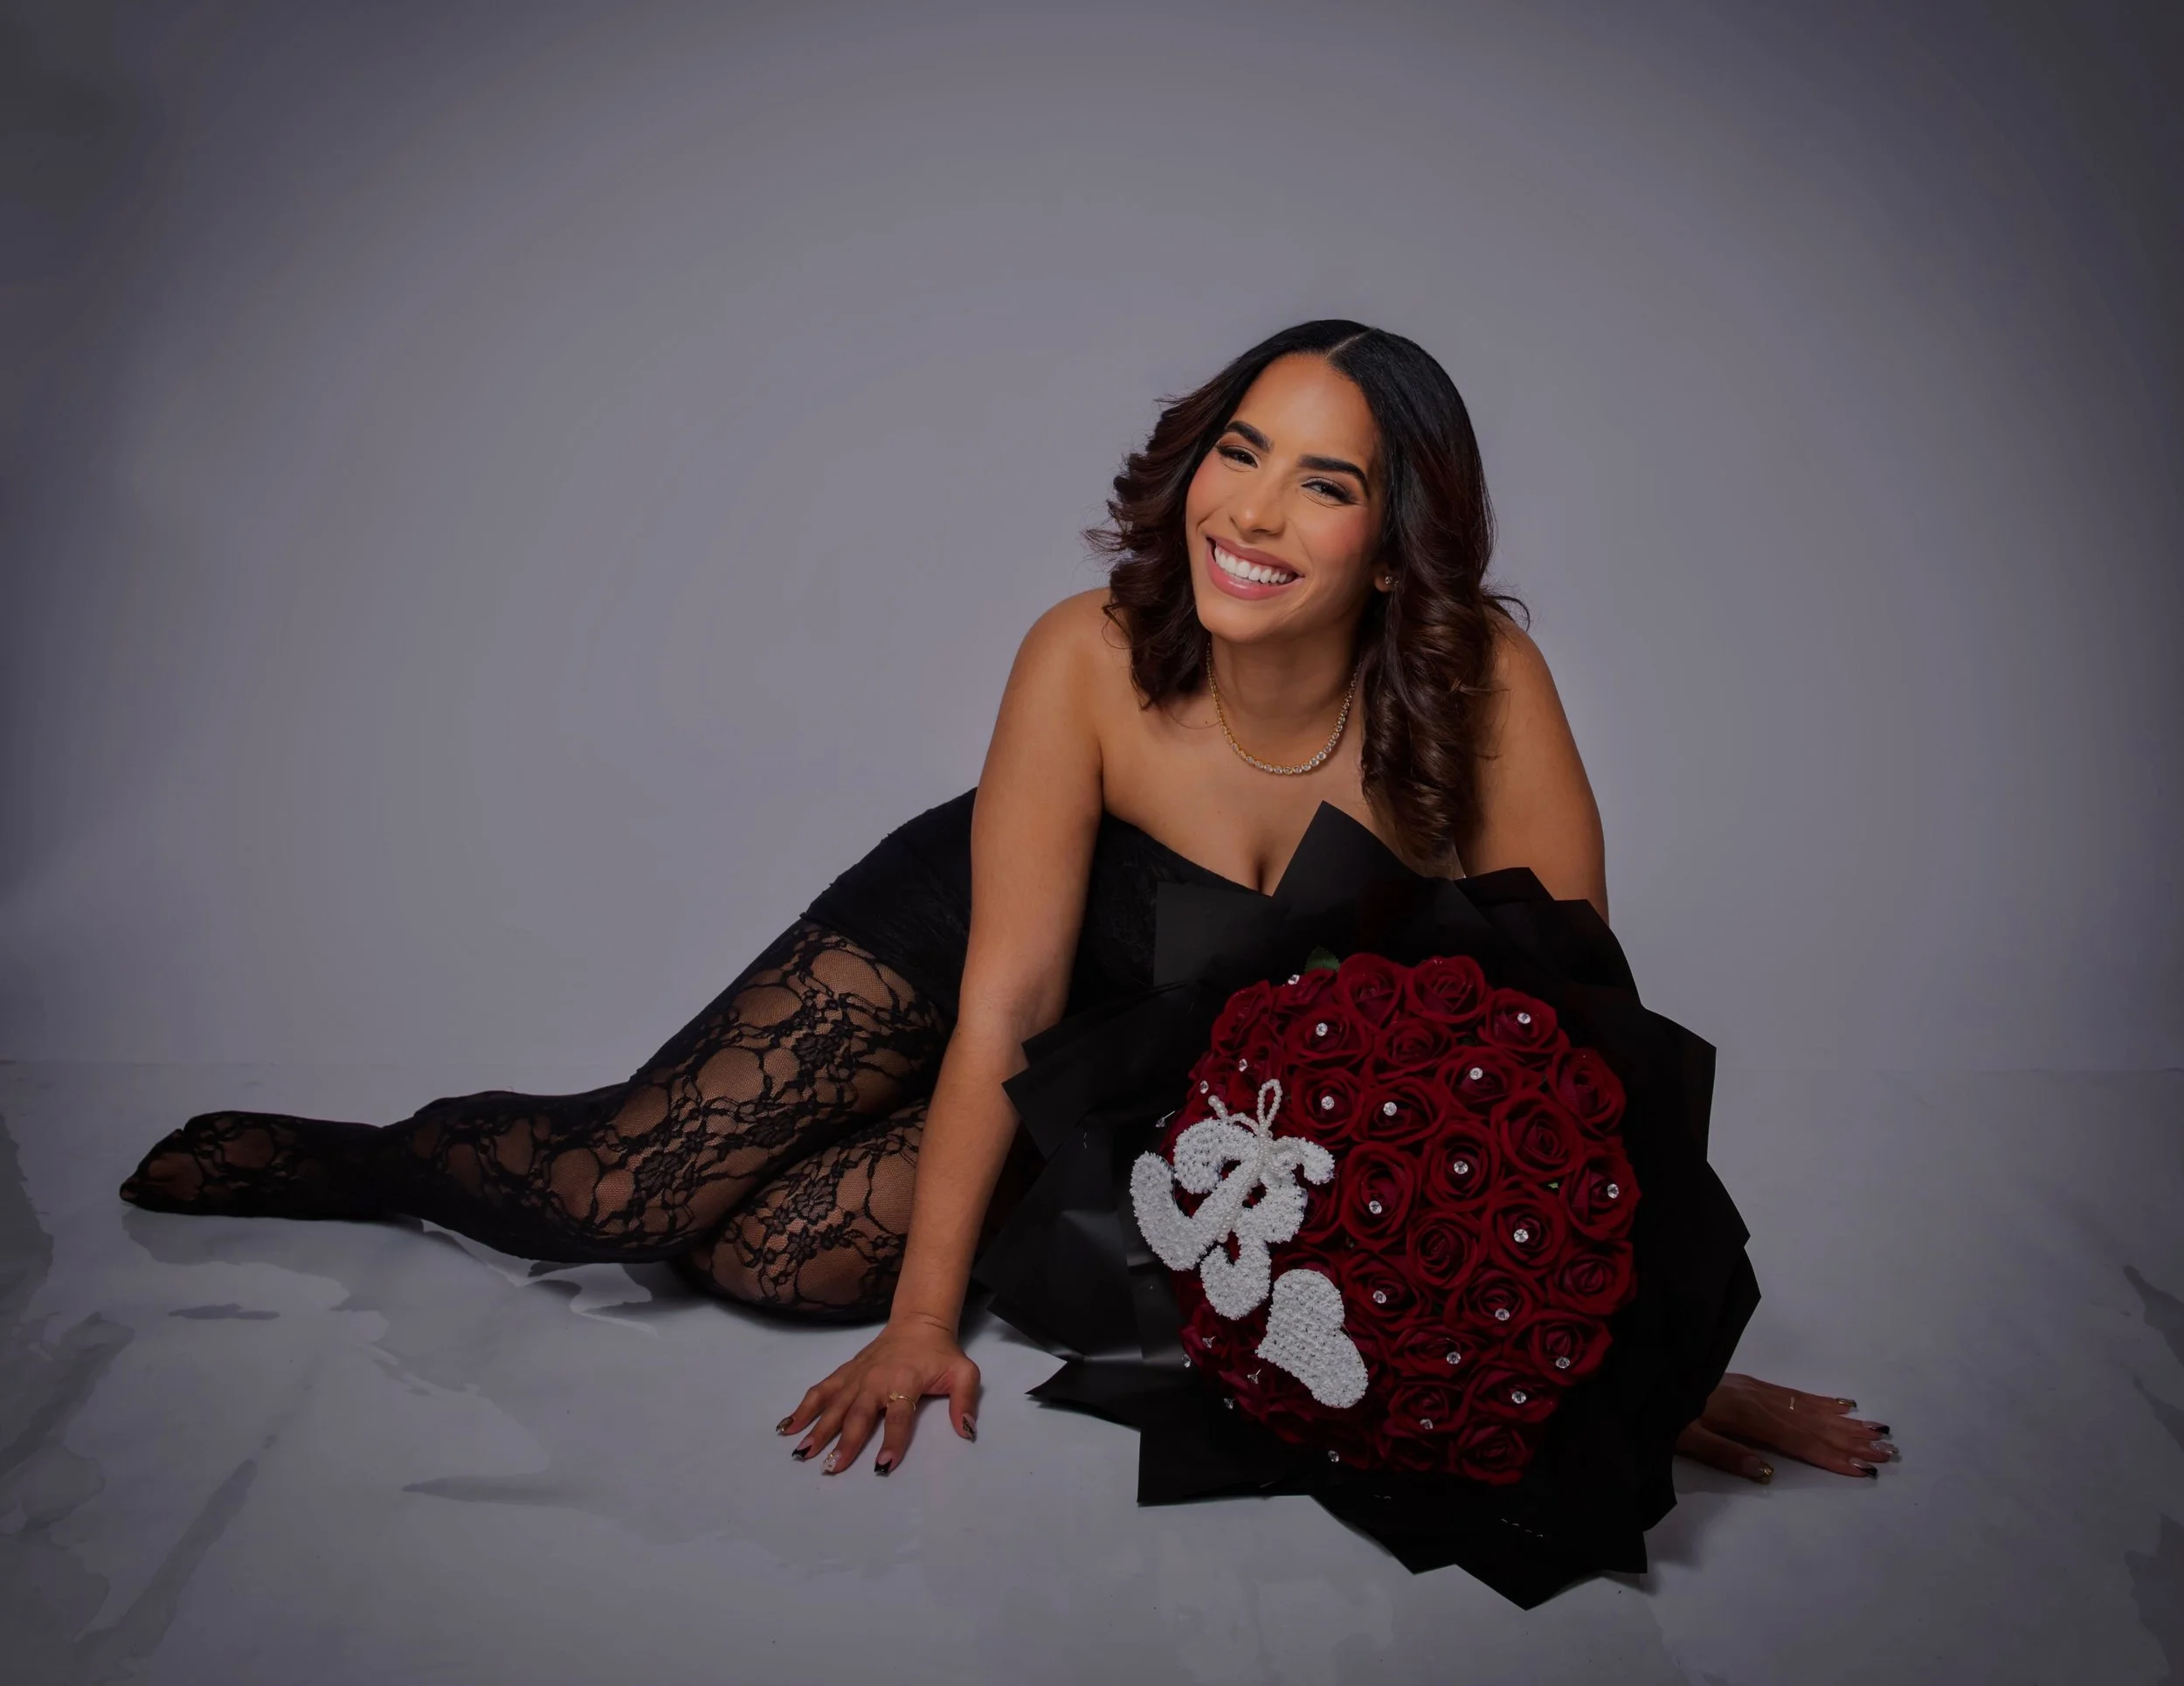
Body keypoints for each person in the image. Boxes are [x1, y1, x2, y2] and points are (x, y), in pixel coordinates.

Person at [121, 319, 1896, 1490]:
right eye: (1239, 448)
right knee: (624, 1190)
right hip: (964, 950)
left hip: (1156, 1071)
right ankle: (354, 1157)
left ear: (1392, 533)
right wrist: (925, 1321)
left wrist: (1641, 1359)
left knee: (758, 1257)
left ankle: (924, 1201)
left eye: (1324, 481)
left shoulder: (1482, 683)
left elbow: (1573, 1055)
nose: (1254, 510)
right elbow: (1004, 993)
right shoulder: (1089, 657)